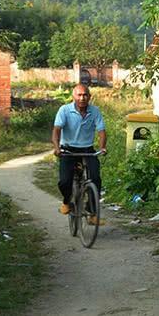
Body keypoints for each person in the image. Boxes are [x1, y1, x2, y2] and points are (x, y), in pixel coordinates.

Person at [52, 83, 107, 223]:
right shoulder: (64, 110)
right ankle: (66, 202)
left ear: (89, 97)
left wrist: (102, 147)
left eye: (85, 95)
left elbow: (101, 131)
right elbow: (57, 130)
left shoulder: (95, 111)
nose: (82, 98)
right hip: (68, 150)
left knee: (95, 179)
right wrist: (57, 147)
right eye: (79, 95)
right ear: (73, 96)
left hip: (87, 150)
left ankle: (92, 212)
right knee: (65, 181)